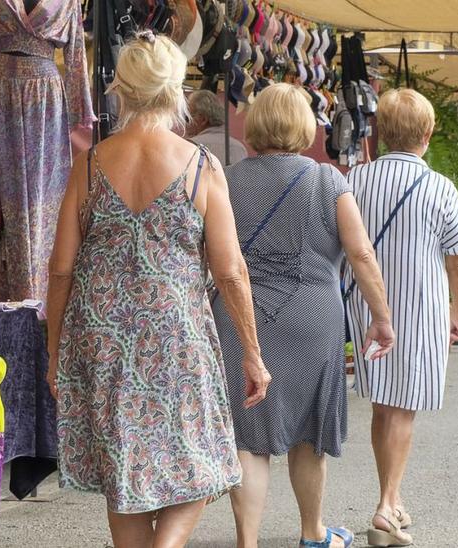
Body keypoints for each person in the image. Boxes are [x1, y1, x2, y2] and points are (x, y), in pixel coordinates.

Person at [46, 32, 270, 548]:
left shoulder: (89, 165)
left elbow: (61, 270)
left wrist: (55, 349)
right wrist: (253, 355)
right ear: (177, 91)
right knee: (205, 454)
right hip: (177, 334)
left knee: (123, 472)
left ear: (119, 90)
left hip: (102, 340)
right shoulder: (200, 166)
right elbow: (231, 270)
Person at [215, 83, 396, 548]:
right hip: (314, 320)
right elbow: (361, 253)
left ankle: (247, 542)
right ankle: (314, 533)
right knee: (309, 434)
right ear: (303, 125)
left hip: (241, 318)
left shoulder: (226, 179)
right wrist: (381, 317)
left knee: (248, 436)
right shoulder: (328, 181)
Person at [343, 89, 458, 547]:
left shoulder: (355, 180)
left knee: (384, 404)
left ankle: (391, 498)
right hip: (419, 310)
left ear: (378, 132)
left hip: (368, 308)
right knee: (403, 408)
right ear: (428, 132)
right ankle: (386, 504)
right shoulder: (440, 188)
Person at [186, 89, 249, 166]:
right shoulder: (240, 149)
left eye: (187, 117)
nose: (184, 123)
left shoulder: (190, 146)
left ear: (203, 119)